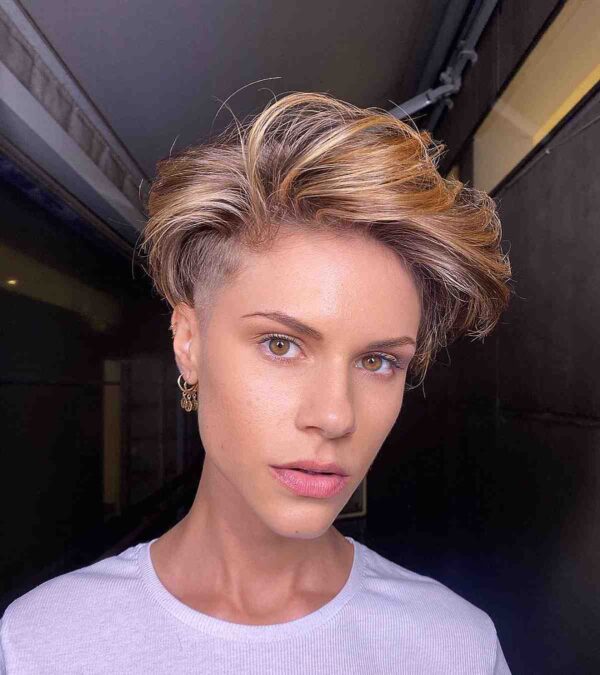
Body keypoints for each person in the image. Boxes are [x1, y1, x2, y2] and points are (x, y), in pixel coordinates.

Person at [0, 91, 512, 673]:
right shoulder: (42, 643)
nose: (335, 416)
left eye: (377, 361)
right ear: (188, 343)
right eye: (281, 344)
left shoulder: (453, 648)